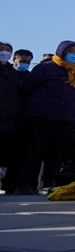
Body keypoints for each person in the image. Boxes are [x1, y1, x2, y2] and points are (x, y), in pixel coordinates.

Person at [15, 40, 75, 195]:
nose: (74, 55)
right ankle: (24, 184)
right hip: (41, 117)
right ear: (61, 51)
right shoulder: (44, 68)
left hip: (64, 119)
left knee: (54, 153)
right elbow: (26, 89)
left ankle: (46, 183)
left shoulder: (74, 73)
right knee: (33, 151)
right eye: (70, 51)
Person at [0, 42, 22, 192]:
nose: (5, 53)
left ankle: (7, 185)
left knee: (7, 154)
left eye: (8, 50)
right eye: (2, 50)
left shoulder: (12, 72)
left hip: (9, 119)